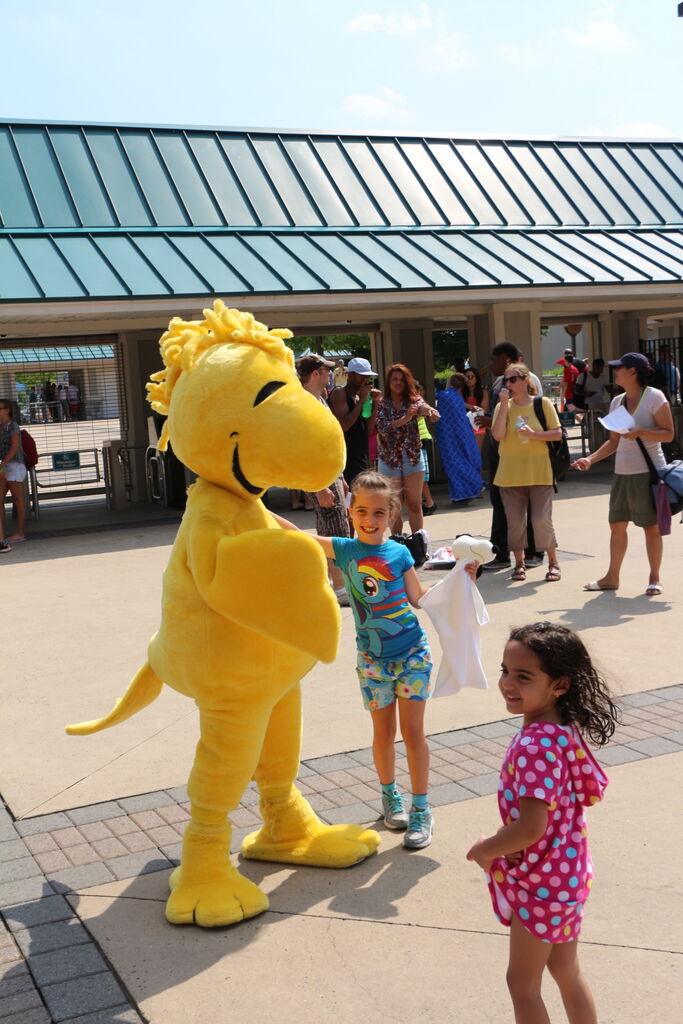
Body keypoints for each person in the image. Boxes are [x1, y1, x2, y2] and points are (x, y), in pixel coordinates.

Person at [309, 470, 477, 850]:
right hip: (371, 661)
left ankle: (421, 809)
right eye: (363, 511)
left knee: (413, 734)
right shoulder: (345, 549)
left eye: (379, 513)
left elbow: (418, 597)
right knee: (382, 735)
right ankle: (390, 798)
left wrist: (460, 577)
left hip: (412, 655)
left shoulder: (400, 553)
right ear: (350, 510)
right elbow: (294, 536)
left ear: (392, 513)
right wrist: (250, 505)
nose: (370, 520)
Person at [467, 621, 618, 1024]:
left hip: (543, 885)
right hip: (567, 875)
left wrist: (486, 849)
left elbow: (532, 826)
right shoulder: (561, 731)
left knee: (522, 985)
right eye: (505, 671)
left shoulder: (534, 745)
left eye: (523, 676)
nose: (507, 684)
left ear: (560, 685)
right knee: (566, 970)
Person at [572, 352, 674, 596]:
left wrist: (641, 431)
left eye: (620, 368)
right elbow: (614, 442)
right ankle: (612, 577)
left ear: (633, 371)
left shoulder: (654, 397)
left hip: (647, 472)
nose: (615, 371)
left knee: (650, 527)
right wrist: (590, 459)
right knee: (616, 525)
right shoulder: (617, 401)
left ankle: (654, 578)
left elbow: (669, 434)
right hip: (622, 473)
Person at [491, 364, 562, 582]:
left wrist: (533, 434)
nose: (508, 384)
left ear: (525, 380)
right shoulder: (503, 406)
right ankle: (519, 564)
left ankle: (553, 562)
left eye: (512, 380)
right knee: (515, 522)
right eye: (506, 380)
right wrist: (503, 406)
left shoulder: (543, 403)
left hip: (539, 472)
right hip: (510, 474)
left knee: (541, 519)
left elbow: (557, 434)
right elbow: (498, 435)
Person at [476, 342, 542, 571]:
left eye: (493, 360)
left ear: (505, 358)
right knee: (501, 502)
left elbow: (528, 415)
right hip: (500, 451)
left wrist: (491, 422)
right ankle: (501, 552)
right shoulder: (499, 382)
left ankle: (534, 551)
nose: (490, 365)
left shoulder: (528, 381)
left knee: (528, 503)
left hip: (521, 452)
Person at [297, 354, 351, 606]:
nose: (331, 374)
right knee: (334, 531)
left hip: (331, 474)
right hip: (321, 477)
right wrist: (319, 487)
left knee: (334, 528)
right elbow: (306, 448)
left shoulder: (318, 399)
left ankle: (335, 583)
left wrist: (340, 477)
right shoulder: (305, 403)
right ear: (316, 373)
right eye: (327, 371)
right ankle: (340, 587)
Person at [376, 363, 439, 534]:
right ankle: (397, 543)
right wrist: (407, 417)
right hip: (389, 459)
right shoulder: (382, 403)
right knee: (395, 505)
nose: (398, 383)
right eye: (394, 379)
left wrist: (431, 411)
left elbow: (423, 407)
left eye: (401, 380)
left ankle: (419, 544)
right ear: (389, 382)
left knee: (414, 503)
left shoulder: (414, 400)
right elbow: (384, 428)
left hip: (412, 456)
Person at [329, 357, 381, 487]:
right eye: (362, 376)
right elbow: (344, 426)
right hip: (347, 461)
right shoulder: (339, 393)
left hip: (362, 457)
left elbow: (368, 431)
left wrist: (375, 403)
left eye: (368, 377)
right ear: (350, 375)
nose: (366, 380)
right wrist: (362, 401)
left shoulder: (359, 396)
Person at [434, 373, 484, 504]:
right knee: (465, 460)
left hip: (448, 437)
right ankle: (466, 492)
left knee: (453, 464)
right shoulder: (457, 397)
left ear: (450, 382)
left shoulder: (444, 396)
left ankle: (462, 493)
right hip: (463, 434)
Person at [0, 399, 27, 548]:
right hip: (3, 466)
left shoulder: (13, 426)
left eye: (0, 408)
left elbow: (14, 447)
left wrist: (2, 464)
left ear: (7, 410)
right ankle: (1, 534)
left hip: (14, 465)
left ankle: (20, 532)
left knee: (17, 499)